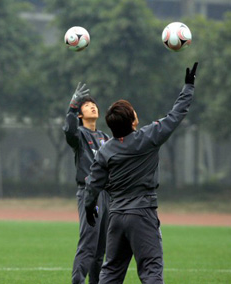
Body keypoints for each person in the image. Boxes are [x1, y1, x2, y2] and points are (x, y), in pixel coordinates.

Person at [84, 62, 198, 283]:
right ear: (133, 120)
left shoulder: (105, 150)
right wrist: (189, 87)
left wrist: (90, 209)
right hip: (142, 214)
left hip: (116, 217)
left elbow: (93, 185)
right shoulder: (149, 138)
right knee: (151, 270)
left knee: (111, 271)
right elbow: (176, 115)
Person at [63, 82, 111, 284]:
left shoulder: (105, 137)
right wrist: (73, 106)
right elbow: (69, 130)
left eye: (94, 105)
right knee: (88, 244)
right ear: (80, 115)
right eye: (87, 105)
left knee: (101, 248)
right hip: (90, 194)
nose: (93, 106)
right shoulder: (80, 135)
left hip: (108, 195)